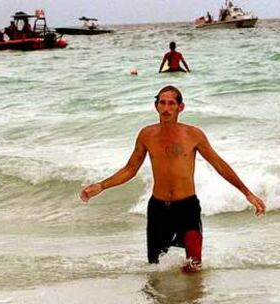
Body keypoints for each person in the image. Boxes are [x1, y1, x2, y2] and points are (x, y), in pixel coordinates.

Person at [79, 85, 266, 273]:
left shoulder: (193, 135)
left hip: (187, 207)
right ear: (156, 106)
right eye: (162, 103)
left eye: (171, 103)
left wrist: (247, 193)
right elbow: (130, 169)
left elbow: (219, 164)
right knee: (155, 270)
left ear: (180, 107)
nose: (166, 108)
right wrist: (101, 186)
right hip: (158, 208)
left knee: (194, 266)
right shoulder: (147, 135)